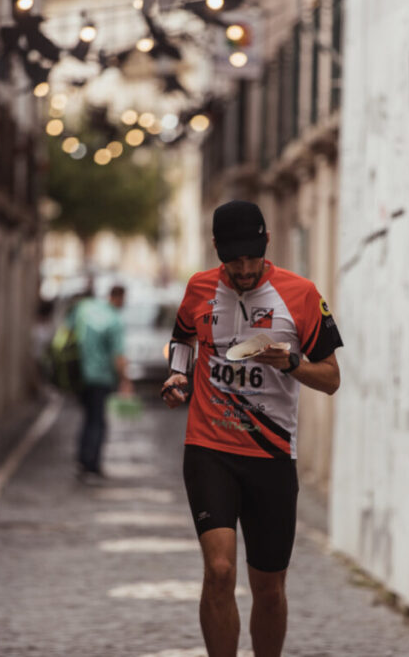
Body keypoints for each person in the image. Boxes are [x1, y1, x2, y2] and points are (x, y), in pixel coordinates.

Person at [161, 200, 343, 657]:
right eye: (234, 258)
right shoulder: (198, 288)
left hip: (272, 457)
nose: (244, 268)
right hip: (209, 448)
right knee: (219, 571)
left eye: (252, 258)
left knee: (269, 589)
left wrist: (291, 361)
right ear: (218, 249)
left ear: (266, 246)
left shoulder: (300, 294)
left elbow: (332, 378)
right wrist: (178, 374)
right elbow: (182, 337)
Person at [72, 283, 132, 481]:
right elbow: (118, 356)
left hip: (81, 374)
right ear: (119, 298)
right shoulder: (114, 320)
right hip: (101, 377)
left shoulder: (89, 310)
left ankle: (82, 458)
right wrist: (125, 380)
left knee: (88, 417)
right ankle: (92, 464)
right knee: (98, 421)